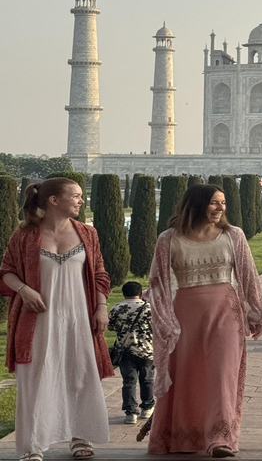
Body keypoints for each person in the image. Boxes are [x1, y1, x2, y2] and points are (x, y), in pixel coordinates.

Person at [147, 184, 262, 456]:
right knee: (187, 376)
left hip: (226, 313)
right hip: (184, 316)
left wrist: (256, 311)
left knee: (222, 376)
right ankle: (183, 437)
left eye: (223, 203)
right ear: (197, 204)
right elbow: (158, 283)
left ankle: (219, 439)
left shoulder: (233, 235)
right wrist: (165, 321)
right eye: (214, 202)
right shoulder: (169, 239)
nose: (220, 208)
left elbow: (248, 276)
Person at [0, 178, 111, 461]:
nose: (81, 200)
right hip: (36, 319)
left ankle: (81, 437)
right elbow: (6, 272)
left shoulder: (88, 233)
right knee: (36, 378)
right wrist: (24, 290)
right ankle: (33, 445)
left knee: (80, 375)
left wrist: (101, 307)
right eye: (75, 195)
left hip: (79, 318)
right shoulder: (24, 235)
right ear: (53, 201)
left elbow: (99, 274)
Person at [108, 281, 155, 425]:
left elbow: (110, 327)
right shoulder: (149, 308)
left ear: (124, 293)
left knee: (129, 381)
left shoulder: (117, 308)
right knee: (147, 380)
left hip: (125, 350)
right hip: (146, 350)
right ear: (140, 293)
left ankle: (131, 413)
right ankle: (147, 408)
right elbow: (156, 328)